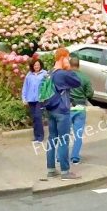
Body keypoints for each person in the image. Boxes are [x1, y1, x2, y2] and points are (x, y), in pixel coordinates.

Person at [43, 48, 82, 180]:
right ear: (62, 58)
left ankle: (51, 169)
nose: (69, 60)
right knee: (64, 140)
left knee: (52, 139)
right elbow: (77, 81)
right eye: (67, 58)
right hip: (62, 110)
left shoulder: (50, 72)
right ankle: (65, 171)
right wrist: (69, 68)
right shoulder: (62, 74)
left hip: (50, 109)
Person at [68, 57, 94, 164]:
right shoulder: (85, 78)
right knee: (78, 134)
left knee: (64, 134)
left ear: (69, 65)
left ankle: (60, 156)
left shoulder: (66, 76)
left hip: (68, 106)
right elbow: (90, 93)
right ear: (79, 65)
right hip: (81, 106)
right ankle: (75, 157)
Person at [22, 58, 47, 142]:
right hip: (30, 99)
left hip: (40, 99)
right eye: (35, 65)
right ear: (32, 66)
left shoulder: (44, 73)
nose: (36, 66)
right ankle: (36, 136)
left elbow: (47, 86)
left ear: (40, 65)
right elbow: (25, 87)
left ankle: (40, 137)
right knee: (34, 118)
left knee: (38, 117)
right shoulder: (29, 75)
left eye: (38, 65)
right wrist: (24, 98)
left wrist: (45, 97)